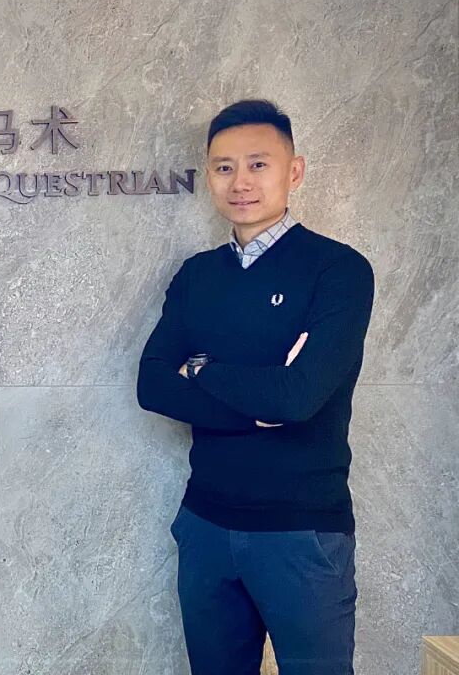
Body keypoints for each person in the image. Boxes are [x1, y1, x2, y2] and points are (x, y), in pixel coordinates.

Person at [137, 100, 374, 675]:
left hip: (302, 533)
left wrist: (202, 370)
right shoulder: (197, 275)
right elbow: (152, 385)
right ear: (209, 176)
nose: (240, 182)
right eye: (224, 167)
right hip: (205, 525)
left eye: (258, 164)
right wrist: (259, 403)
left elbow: (297, 398)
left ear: (294, 171)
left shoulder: (338, 271)